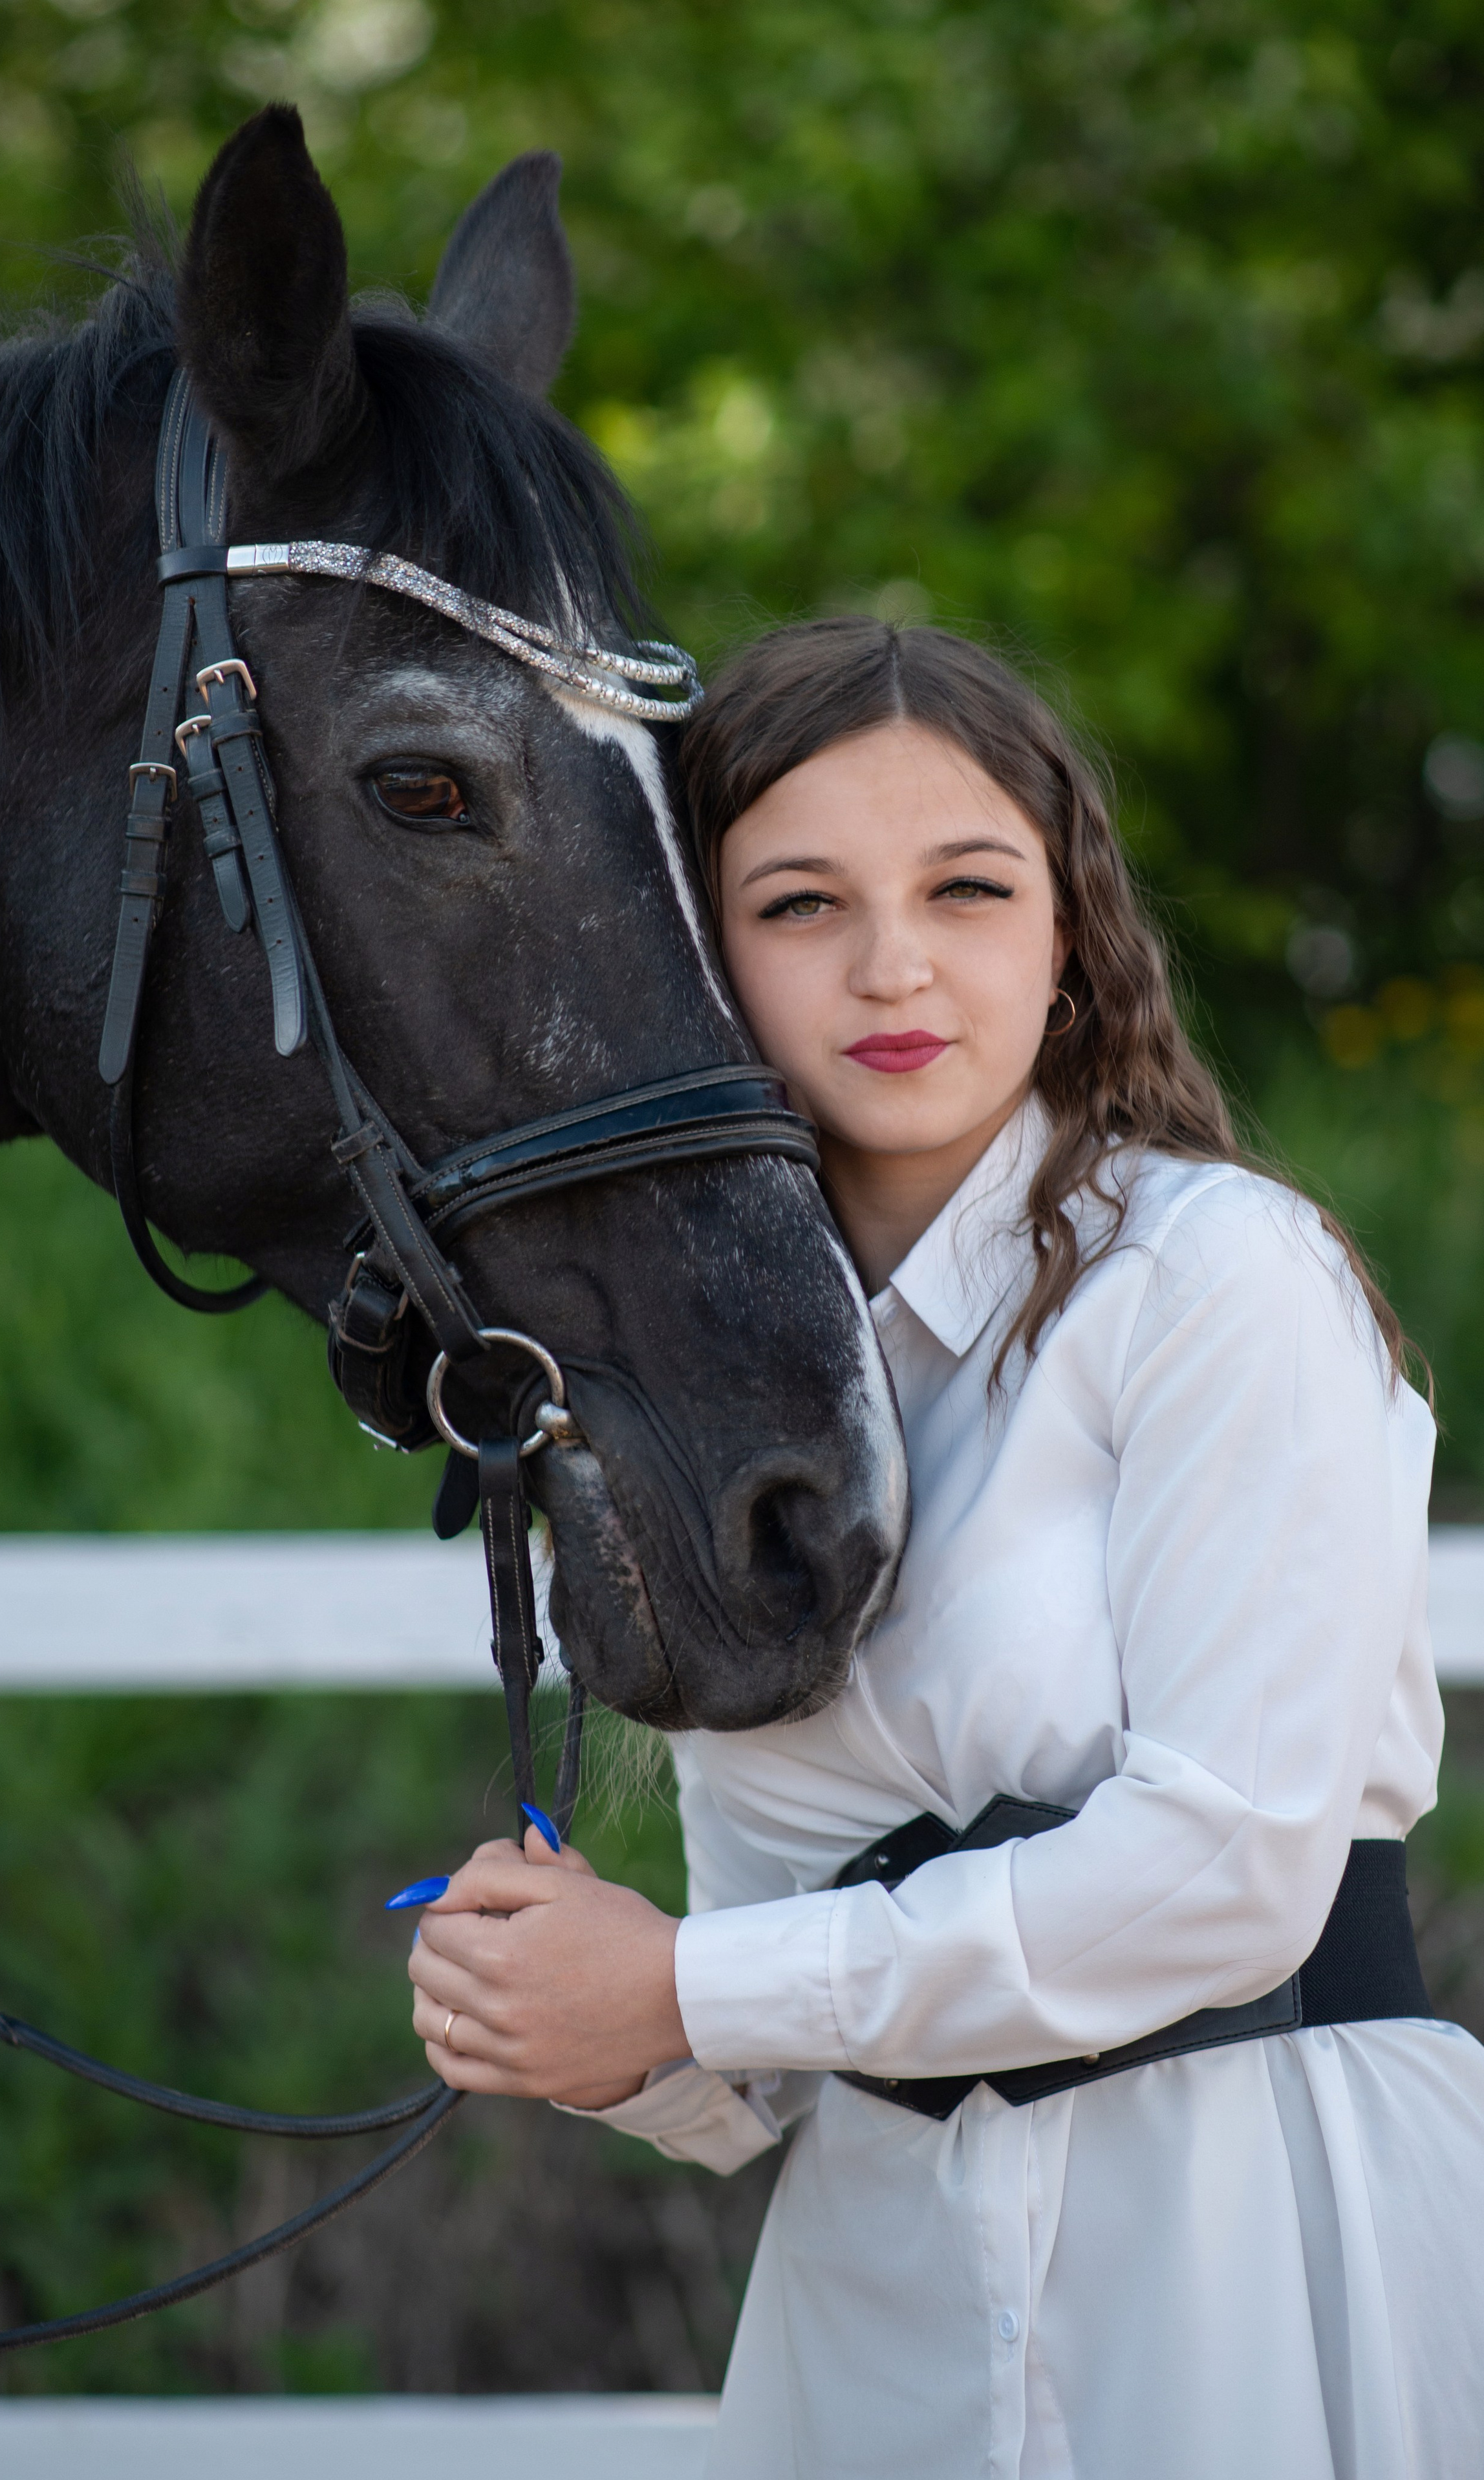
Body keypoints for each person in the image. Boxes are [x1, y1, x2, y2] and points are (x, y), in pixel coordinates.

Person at [407, 617, 1484, 2477]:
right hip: (886, 2301)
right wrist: (600, 2025)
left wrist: (683, 1986)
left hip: (1247, 2250)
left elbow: (1230, 1864)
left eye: (967, 888)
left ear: (1066, 935)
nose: (894, 965)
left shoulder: (1215, 1279)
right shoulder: (731, 1399)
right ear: (697, 951)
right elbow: (762, 2036)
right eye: (802, 903)